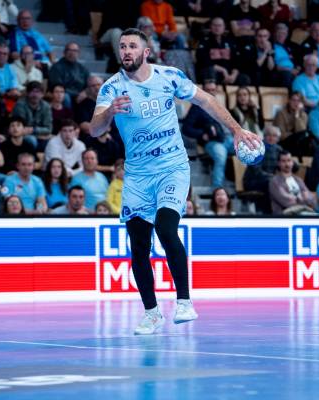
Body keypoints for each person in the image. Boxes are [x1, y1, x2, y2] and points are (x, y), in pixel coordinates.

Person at [90, 28, 260, 335]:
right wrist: (110, 113)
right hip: (137, 175)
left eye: (132, 46)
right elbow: (94, 129)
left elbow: (207, 101)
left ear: (146, 52)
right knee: (138, 246)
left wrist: (236, 129)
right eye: (122, 46)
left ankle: (184, 301)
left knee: (166, 228)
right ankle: (152, 313)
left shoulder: (168, 77)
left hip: (172, 167)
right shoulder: (112, 87)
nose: (126, 51)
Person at [182, 79, 235, 188]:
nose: (211, 92)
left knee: (246, 149)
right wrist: (202, 134)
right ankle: (218, 189)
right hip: (212, 142)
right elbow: (186, 128)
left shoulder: (218, 104)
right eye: (208, 90)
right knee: (221, 156)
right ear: (203, 91)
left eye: (213, 90)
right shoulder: (196, 107)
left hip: (227, 138)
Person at [195, 17, 249, 85]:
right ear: (210, 27)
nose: (217, 28)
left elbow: (237, 61)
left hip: (229, 75)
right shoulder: (204, 41)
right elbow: (203, 60)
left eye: (219, 25)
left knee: (244, 78)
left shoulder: (230, 42)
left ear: (224, 27)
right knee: (209, 71)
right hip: (213, 73)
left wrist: (233, 75)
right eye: (215, 25)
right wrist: (223, 70)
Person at [243, 125, 283, 213]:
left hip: (270, 179)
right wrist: (273, 177)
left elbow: (287, 162)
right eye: (269, 135)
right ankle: (268, 212)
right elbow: (257, 171)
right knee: (271, 183)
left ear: (278, 138)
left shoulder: (279, 149)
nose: (271, 138)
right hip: (253, 180)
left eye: (274, 136)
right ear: (264, 136)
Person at [269, 150, 316, 215]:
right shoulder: (275, 181)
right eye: (283, 161)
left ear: (292, 162)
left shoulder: (298, 180)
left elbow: (312, 201)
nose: (287, 164)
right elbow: (287, 202)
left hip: (304, 211)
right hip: (286, 215)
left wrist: (296, 198)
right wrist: (302, 197)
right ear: (279, 163)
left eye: (289, 160)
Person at [11, 80, 53, 151]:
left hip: (39, 134)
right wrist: (38, 133)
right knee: (31, 140)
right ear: (27, 93)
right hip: (23, 136)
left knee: (53, 141)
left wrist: (34, 130)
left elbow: (49, 129)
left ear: (42, 94)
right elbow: (20, 129)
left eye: (38, 92)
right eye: (32, 91)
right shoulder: (20, 105)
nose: (35, 95)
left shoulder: (46, 106)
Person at [273, 91, 309, 156]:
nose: (296, 103)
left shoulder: (303, 115)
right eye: (293, 100)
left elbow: (302, 131)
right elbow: (280, 134)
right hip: (284, 141)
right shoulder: (281, 113)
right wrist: (293, 135)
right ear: (289, 101)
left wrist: (297, 115)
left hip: (298, 142)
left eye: (298, 101)